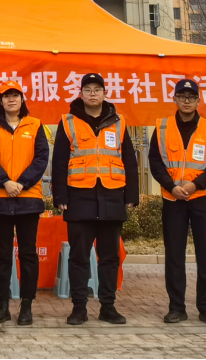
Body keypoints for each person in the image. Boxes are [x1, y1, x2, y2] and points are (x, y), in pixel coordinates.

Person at [51, 72, 137, 326]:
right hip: (79, 197)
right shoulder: (68, 122)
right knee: (78, 257)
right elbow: (59, 161)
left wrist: (131, 194)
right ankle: (79, 308)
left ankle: (108, 307)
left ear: (104, 93)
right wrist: (60, 195)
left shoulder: (119, 121)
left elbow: (129, 160)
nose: (92, 94)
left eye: (97, 89)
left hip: (112, 196)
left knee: (110, 257)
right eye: (87, 89)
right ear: (80, 94)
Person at [150, 78, 206, 325]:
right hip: (173, 198)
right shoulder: (162, 127)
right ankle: (176, 307)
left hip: (202, 198)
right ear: (174, 99)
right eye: (182, 97)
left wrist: (196, 185)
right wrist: (171, 186)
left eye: (191, 97)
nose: (186, 101)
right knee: (174, 255)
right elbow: (155, 162)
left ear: (198, 101)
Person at [0, 80, 49, 326]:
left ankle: (26, 307)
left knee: (28, 254)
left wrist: (22, 183)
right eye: (7, 96)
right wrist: (5, 182)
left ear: (22, 100)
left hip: (28, 198)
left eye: (15, 95)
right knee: (2, 255)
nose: (11, 99)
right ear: (0, 101)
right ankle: (3, 307)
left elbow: (41, 158)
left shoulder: (35, 125)